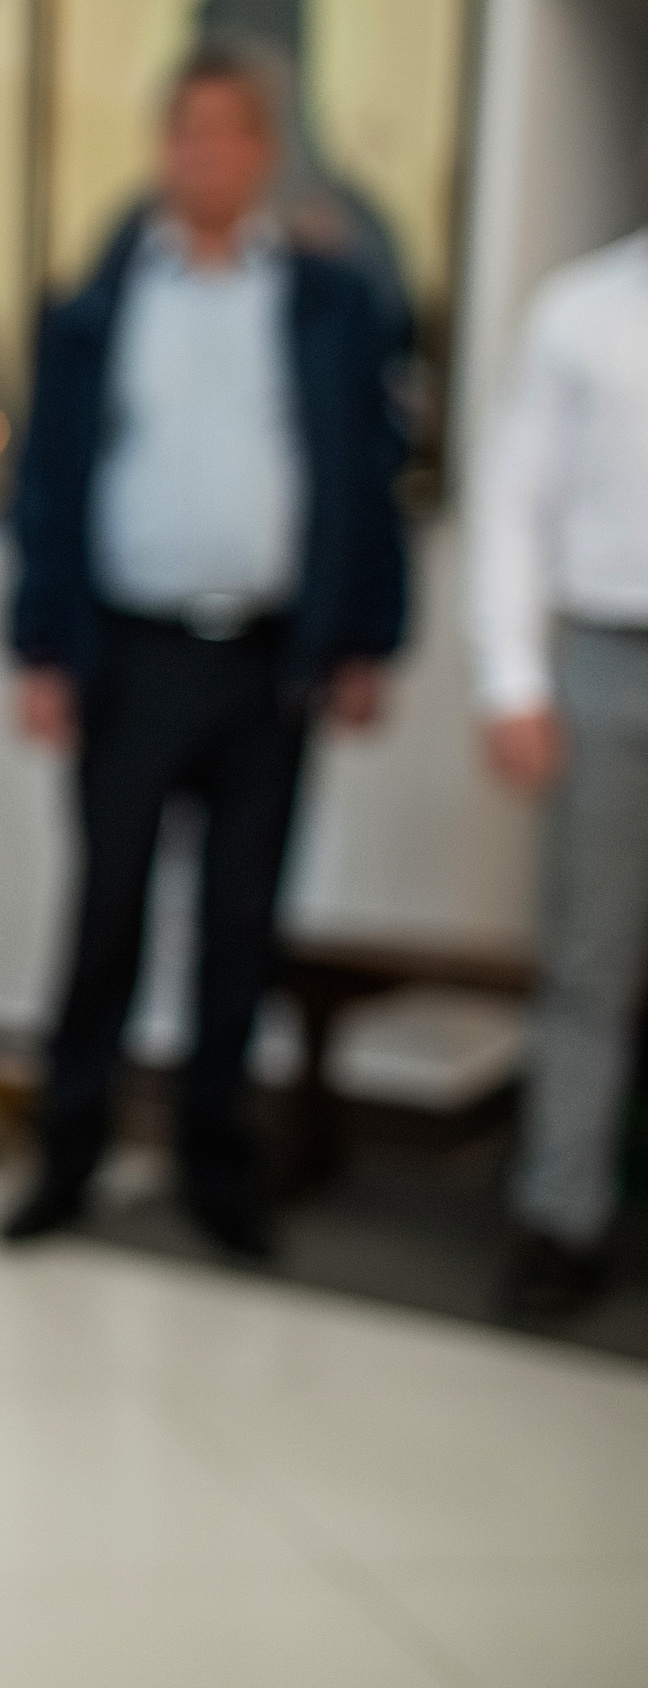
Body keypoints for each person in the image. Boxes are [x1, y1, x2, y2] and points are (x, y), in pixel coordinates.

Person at [2, 44, 408, 1256]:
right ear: (163, 146)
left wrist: (364, 640)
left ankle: (217, 1168)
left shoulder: (328, 300)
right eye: (186, 132)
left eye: (230, 133)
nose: (205, 155)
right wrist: (40, 647)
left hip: (268, 659)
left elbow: (365, 475)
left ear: (263, 150)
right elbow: (52, 478)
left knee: (241, 923)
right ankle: (68, 1153)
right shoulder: (106, 299)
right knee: (106, 912)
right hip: (130, 652)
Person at [468, 217, 648, 1317]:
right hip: (603, 656)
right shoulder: (582, 311)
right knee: (588, 959)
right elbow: (510, 502)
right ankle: (562, 1216)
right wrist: (511, 679)